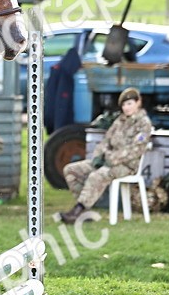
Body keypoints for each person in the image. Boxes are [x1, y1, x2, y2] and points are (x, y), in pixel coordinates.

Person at [56, 87, 153, 223]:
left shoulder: (144, 124)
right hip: (107, 161)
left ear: (138, 103)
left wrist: (112, 159)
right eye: (124, 105)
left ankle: (78, 210)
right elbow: (105, 141)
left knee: (98, 175)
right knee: (71, 170)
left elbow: (135, 150)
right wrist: (98, 157)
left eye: (130, 103)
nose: (126, 108)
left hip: (126, 166)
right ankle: (86, 211)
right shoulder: (120, 121)